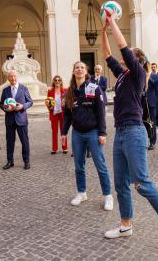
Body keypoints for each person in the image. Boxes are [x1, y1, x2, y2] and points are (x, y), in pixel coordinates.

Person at [101, 14, 158, 251]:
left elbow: (122, 47)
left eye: (130, 53)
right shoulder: (123, 75)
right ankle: (125, 224)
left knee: (142, 183)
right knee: (121, 184)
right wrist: (105, 31)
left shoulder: (137, 73)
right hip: (120, 133)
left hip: (135, 132)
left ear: (137, 59)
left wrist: (113, 21)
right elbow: (107, 55)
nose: (125, 56)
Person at [61, 61, 113, 211]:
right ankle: (82, 192)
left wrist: (102, 133)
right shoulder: (69, 91)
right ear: (73, 71)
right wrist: (64, 132)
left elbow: (101, 112)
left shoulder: (94, 88)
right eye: (76, 67)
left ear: (86, 71)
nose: (79, 69)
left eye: (82, 67)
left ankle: (108, 196)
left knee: (100, 165)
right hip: (77, 134)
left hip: (93, 132)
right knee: (79, 166)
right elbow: (67, 115)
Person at [0, 70, 33, 170]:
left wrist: (22, 106)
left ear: (17, 77)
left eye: (14, 76)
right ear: (8, 78)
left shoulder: (23, 88)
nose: (13, 78)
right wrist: (5, 108)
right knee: (9, 141)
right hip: (9, 119)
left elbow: (30, 102)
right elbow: (1, 103)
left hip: (21, 119)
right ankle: (10, 161)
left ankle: (26, 161)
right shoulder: (5, 90)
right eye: (10, 77)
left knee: (24, 141)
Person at [46, 75, 67, 154]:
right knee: (54, 132)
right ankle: (54, 148)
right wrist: (49, 108)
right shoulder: (50, 91)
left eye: (59, 80)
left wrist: (65, 105)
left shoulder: (65, 90)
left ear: (61, 81)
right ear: (53, 82)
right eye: (55, 80)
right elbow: (48, 102)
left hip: (62, 113)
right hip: (54, 113)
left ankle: (64, 148)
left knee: (63, 131)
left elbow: (68, 101)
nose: (57, 82)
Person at [142, 75, 158, 150]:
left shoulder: (155, 76)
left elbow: (156, 85)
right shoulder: (140, 76)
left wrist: (148, 76)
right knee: (143, 122)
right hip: (143, 103)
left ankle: (152, 142)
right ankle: (144, 140)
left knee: (152, 123)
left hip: (151, 103)